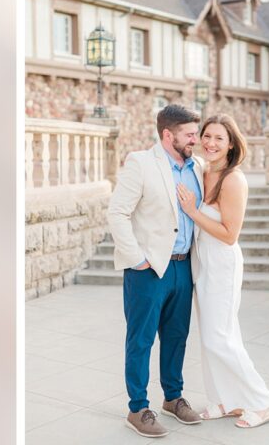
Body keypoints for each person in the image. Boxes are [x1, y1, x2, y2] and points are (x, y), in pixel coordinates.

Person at [176, 114, 269, 428]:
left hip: (222, 263)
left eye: (219, 138)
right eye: (207, 136)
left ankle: (261, 402)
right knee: (211, 338)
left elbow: (229, 233)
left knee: (221, 337)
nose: (210, 143)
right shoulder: (203, 170)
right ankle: (224, 400)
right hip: (202, 263)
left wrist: (193, 212)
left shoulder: (233, 179)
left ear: (231, 143)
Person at [108, 104, 204, 438]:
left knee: (177, 338)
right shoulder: (141, 163)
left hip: (183, 267)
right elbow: (117, 212)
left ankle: (173, 398)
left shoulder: (198, 167)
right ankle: (138, 408)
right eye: (190, 134)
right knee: (141, 340)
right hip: (148, 271)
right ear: (168, 134)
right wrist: (138, 259)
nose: (197, 139)